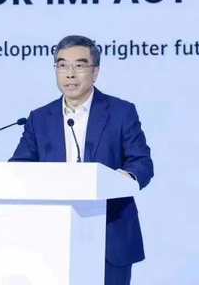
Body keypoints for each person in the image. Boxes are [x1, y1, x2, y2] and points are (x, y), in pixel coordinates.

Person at [9, 35, 154, 285]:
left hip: (110, 235)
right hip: (51, 237)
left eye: (79, 65)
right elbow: (19, 168)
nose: (70, 73)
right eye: (62, 65)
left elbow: (141, 163)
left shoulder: (121, 112)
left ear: (95, 71)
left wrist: (122, 179)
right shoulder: (39, 118)